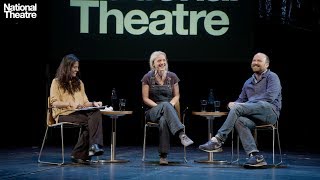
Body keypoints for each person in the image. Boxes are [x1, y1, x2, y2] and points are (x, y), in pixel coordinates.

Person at [199, 52, 282, 168]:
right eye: (254, 60)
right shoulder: (248, 82)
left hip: (269, 113)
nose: (255, 63)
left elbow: (270, 97)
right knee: (239, 120)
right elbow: (240, 100)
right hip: (254, 117)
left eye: (259, 61)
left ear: (267, 65)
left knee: (240, 108)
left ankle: (218, 139)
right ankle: (255, 156)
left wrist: (242, 105)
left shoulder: (272, 77)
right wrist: (231, 105)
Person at [50, 54, 104, 164]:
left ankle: (83, 152)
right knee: (92, 122)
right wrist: (69, 103)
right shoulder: (56, 82)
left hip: (78, 114)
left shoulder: (79, 83)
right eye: (74, 67)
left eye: (77, 67)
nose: (77, 70)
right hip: (62, 114)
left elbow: (85, 103)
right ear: (67, 67)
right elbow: (54, 103)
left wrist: (94, 103)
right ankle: (86, 151)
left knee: (95, 113)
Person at [141, 51, 194, 165]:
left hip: (169, 111)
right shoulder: (147, 77)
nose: (162, 62)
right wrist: (161, 106)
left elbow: (177, 96)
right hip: (152, 111)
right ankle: (181, 134)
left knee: (164, 121)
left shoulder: (172, 76)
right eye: (159, 60)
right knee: (165, 105)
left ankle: (163, 156)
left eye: (164, 60)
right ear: (153, 63)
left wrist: (168, 105)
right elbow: (145, 99)